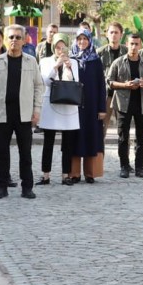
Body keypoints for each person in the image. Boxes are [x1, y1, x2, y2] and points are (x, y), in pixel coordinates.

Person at [0, 25, 44, 199]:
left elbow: (38, 86)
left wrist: (37, 110)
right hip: (2, 113)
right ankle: (1, 186)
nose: (14, 40)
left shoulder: (31, 61)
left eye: (18, 37)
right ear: (6, 39)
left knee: (25, 153)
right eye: (11, 37)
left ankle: (27, 187)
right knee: (2, 153)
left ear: (24, 39)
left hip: (24, 114)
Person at [108, 32, 143, 178]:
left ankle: (140, 167)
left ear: (141, 45)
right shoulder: (118, 62)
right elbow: (110, 82)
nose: (134, 47)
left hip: (142, 104)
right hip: (123, 104)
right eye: (131, 44)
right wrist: (125, 85)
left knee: (141, 137)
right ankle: (124, 166)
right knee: (123, 137)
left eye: (136, 44)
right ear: (127, 45)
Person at [39, 37, 81, 184]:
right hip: (51, 103)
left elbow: (76, 83)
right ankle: (45, 175)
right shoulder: (45, 61)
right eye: (58, 47)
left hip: (68, 105)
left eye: (63, 47)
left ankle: (65, 175)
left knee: (68, 142)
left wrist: (69, 68)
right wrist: (56, 66)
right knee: (48, 141)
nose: (61, 51)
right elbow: (44, 81)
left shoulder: (74, 62)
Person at [68, 30, 108, 182]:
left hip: (92, 105)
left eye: (85, 39)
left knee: (92, 137)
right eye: (79, 39)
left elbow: (101, 85)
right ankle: (74, 173)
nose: (82, 42)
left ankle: (91, 173)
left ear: (90, 41)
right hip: (75, 106)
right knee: (76, 138)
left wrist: (102, 108)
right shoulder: (70, 59)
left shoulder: (95, 60)